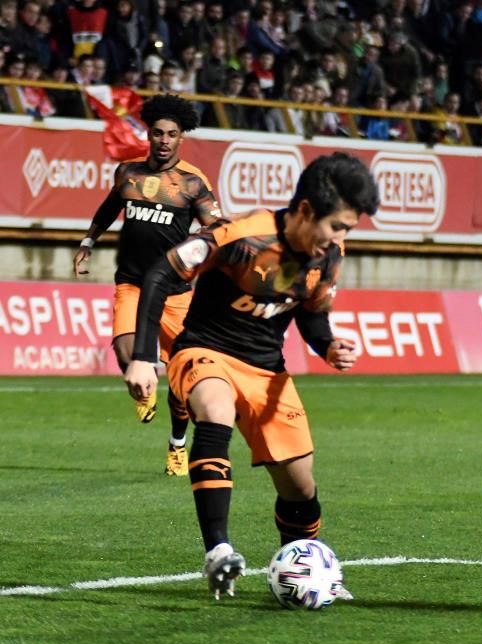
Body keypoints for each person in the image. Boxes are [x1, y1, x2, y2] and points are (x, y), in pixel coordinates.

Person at [123, 153, 379, 600]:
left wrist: (328, 345)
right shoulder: (241, 235)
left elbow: (312, 315)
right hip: (205, 350)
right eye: (337, 226)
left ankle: (307, 566)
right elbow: (162, 273)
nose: (340, 238)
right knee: (215, 412)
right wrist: (144, 356)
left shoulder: (329, 255)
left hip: (267, 370)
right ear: (304, 211)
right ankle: (218, 551)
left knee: (300, 485)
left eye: (347, 230)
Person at [74, 94, 222, 477]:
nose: (164, 140)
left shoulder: (191, 184)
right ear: (149, 134)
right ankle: (144, 383)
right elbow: (109, 207)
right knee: (127, 355)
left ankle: (176, 445)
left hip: (175, 293)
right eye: (158, 133)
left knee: (184, 376)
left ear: (180, 139)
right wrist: (88, 242)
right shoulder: (128, 174)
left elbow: (215, 229)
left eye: (172, 134)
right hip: (132, 284)